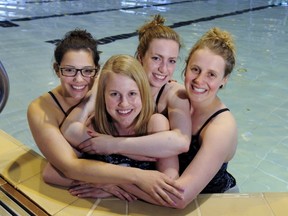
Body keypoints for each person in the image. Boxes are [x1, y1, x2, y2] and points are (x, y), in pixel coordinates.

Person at [27, 29, 183, 207]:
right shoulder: (94, 121)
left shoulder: (155, 120)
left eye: (87, 71)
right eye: (69, 70)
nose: (79, 79)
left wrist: (113, 147)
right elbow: (65, 167)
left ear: (96, 72)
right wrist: (122, 180)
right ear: (57, 70)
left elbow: (172, 190)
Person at [70, 14, 192, 161]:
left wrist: (113, 145)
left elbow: (182, 142)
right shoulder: (116, 81)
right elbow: (70, 129)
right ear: (140, 58)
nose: (164, 69)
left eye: (171, 61)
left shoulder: (174, 94)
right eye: (156, 58)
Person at [169, 27, 238, 209]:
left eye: (211, 74)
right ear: (186, 68)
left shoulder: (221, 126)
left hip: (216, 204)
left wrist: (117, 185)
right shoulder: (175, 97)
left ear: (224, 79)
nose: (199, 80)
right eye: (195, 69)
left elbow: (179, 197)